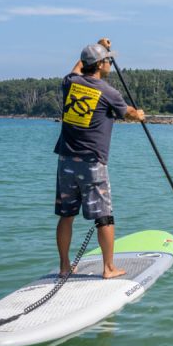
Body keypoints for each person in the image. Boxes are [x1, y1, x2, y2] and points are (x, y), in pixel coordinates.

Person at [53, 37, 145, 279]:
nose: (110, 65)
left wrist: (97, 46)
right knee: (104, 216)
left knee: (66, 216)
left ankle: (64, 267)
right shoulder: (109, 92)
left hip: (65, 161)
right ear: (102, 64)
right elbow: (129, 114)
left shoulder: (69, 83)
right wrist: (141, 114)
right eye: (108, 61)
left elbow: (78, 67)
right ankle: (109, 268)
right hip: (92, 162)